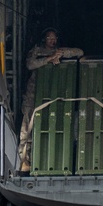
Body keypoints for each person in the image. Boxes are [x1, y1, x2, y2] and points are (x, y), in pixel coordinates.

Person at [18, 28, 84, 172]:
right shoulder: (37, 51)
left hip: (51, 94)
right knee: (28, 125)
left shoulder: (59, 50)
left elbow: (79, 52)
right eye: (49, 38)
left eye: (54, 38)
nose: (52, 41)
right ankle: (25, 159)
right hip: (33, 93)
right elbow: (30, 64)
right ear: (44, 39)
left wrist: (61, 54)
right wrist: (49, 59)